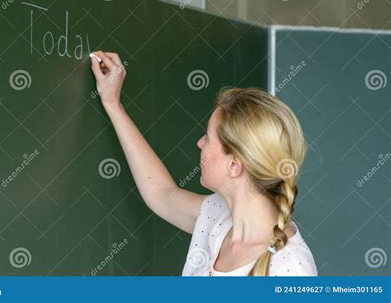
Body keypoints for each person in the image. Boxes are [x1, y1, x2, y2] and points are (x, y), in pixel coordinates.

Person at [90, 51, 318, 276]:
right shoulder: (218, 217)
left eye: (208, 137)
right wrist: (113, 104)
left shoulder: (291, 268)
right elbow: (160, 193)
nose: (200, 143)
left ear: (234, 165)